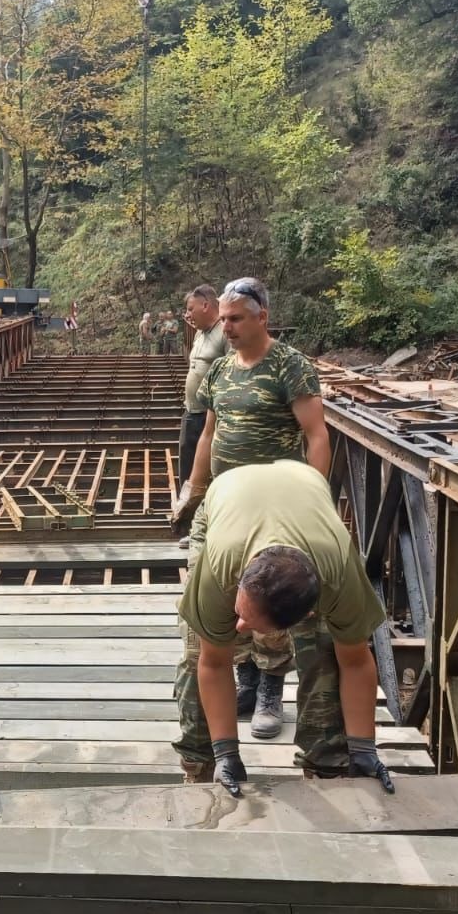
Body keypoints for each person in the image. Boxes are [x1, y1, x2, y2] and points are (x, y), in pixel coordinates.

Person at [171, 276, 331, 743]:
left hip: (275, 505)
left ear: (263, 317)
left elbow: (317, 436)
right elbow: (207, 434)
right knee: (218, 590)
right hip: (224, 501)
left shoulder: (290, 366)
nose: (228, 327)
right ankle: (245, 678)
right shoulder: (221, 371)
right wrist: (193, 489)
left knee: (269, 589)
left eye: (236, 318)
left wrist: (312, 495)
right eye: (223, 319)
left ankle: (270, 687)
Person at [174, 461, 392, 798]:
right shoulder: (222, 566)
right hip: (227, 501)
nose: (240, 628)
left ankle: (329, 767)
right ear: (240, 581)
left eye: (251, 624)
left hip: (303, 495)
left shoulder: (338, 574)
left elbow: (355, 661)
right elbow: (213, 663)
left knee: (325, 653)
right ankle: (202, 769)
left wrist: (364, 748)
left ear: (309, 612)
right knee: (195, 653)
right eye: (240, 613)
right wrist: (226, 752)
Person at [178, 285, 227, 502]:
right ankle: (187, 520)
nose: (187, 315)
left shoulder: (225, 333)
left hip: (211, 416)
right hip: (191, 412)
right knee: (187, 469)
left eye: (191, 309)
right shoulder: (199, 332)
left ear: (205, 305)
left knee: (208, 472)